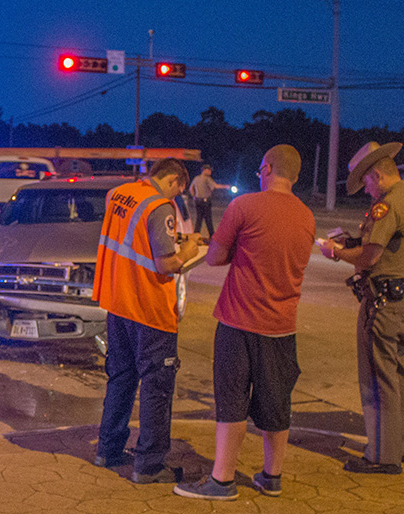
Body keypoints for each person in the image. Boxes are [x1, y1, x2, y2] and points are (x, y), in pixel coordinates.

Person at [174, 144, 315, 500]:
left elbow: (215, 257)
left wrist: (240, 249)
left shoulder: (245, 206)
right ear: (296, 176)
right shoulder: (307, 216)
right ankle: (272, 477)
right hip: (283, 325)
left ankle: (222, 480)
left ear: (266, 169)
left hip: (239, 321)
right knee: (277, 401)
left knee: (232, 399)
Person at [93, 157, 202, 484]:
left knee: (121, 378)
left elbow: (133, 240)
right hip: (149, 308)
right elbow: (166, 264)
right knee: (157, 386)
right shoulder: (160, 206)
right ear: (173, 181)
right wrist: (190, 249)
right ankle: (149, 465)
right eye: (178, 191)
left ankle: (107, 450)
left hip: (118, 301)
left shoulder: (120, 194)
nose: (177, 198)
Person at [318, 141, 404, 475]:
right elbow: (387, 245)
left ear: (376, 174)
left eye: (367, 183)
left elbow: (370, 257)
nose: (366, 190)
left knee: (378, 379)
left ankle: (381, 456)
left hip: (383, 302)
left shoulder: (387, 206)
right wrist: (353, 242)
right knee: (396, 374)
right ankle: (399, 445)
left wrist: (335, 251)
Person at [188, 163, 231, 239]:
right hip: (205, 201)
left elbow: (191, 189)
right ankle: (212, 236)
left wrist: (194, 197)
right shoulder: (207, 179)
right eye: (209, 170)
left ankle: (195, 236)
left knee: (199, 219)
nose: (210, 172)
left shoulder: (196, 178)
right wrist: (226, 186)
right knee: (208, 219)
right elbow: (215, 186)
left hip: (197, 200)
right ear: (205, 170)